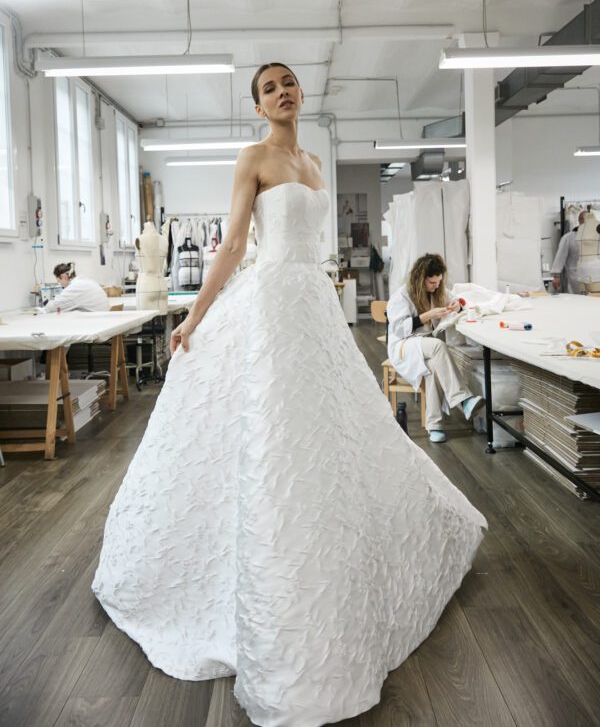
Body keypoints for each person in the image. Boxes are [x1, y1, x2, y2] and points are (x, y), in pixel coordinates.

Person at [92, 64, 486, 727]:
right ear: (258, 103)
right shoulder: (256, 157)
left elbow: (308, 244)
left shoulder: (310, 162)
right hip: (273, 298)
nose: (283, 91)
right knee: (275, 426)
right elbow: (236, 244)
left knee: (329, 426)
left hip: (312, 300)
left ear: (302, 94)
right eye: (269, 86)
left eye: (289, 82)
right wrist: (194, 316)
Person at [387, 253, 484, 443]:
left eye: (439, 281)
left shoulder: (436, 291)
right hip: (403, 345)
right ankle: (463, 400)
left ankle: (434, 426)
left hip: (424, 345)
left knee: (431, 369)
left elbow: (458, 301)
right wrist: (427, 315)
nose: (437, 286)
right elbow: (398, 329)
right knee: (439, 346)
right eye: (432, 282)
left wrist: (458, 306)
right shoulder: (401, 296)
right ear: (420, 279)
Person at [43, 263, 109, 312]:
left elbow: (51, 308)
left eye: (59, 281)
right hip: (103, 317)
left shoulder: (74, 288)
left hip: (97, 322)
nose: (60, 285)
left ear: (63, 277)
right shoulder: (84, 280)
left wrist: (47, 303)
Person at [551, 211, 585, 293]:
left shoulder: (596, 237)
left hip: (593, 278)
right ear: (580, 221)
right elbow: (560, 257)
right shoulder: (569, 238)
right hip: (573, 279)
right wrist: (556, 276)